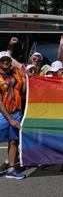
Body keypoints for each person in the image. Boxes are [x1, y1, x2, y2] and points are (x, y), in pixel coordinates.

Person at [0, 51, 26, 179]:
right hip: (2, 114)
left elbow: (24, 69)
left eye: (7, 60)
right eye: (2, 60)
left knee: (13, 141)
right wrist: (9, 119)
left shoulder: (15, 73)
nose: (5, 62)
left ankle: (11, 169)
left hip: (16, 112)